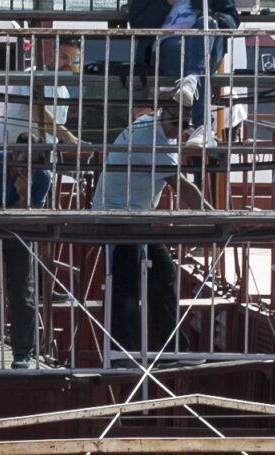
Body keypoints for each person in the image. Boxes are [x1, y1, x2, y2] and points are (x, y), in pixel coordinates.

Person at [91, 80, 196, 362]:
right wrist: (216, 214)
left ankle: (170, 348)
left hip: (137, 214)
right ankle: (120, 351)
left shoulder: (156, 124)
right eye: (177, 124)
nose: (181, 131)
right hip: (117, 214)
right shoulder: (152, 139)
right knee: (127, 280)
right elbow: (183, 186)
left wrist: (190, 83)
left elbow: (190, 81)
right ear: (164, 115)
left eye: (186, 125)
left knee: (163, 272)